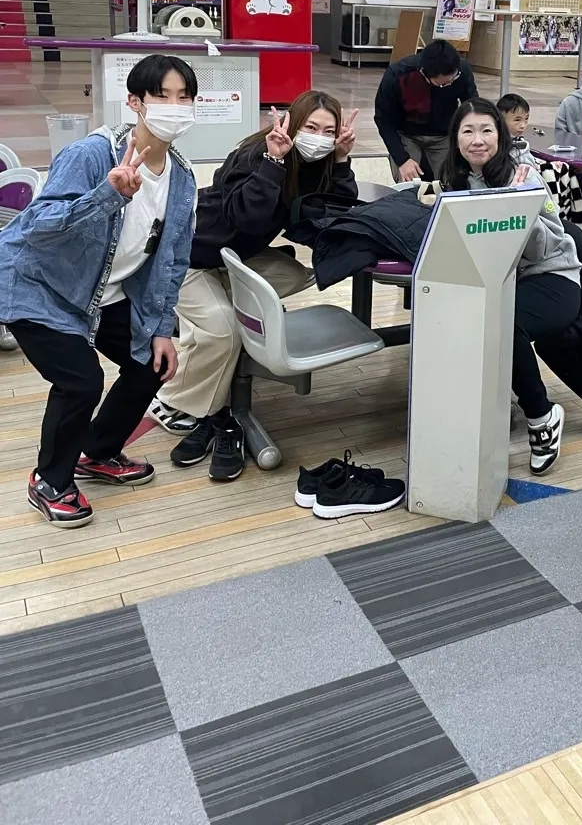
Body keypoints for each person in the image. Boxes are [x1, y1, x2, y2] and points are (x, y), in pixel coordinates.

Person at [0, 55, 198, 529]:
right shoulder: (92, 155)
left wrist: (161, 328)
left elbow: (172, 260)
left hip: (101, 294)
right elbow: (40, 227)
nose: (175, 107)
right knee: (81, 381)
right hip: (38, 287)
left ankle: (98, 452)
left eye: (184, 97)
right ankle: (50, 480)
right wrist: (108, 195)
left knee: (152, 362)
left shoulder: (182, 177)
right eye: (162, 96)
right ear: (134, 102)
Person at [153, 92, 359, 479]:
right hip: (188, 255)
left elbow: (335, 211)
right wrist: (273, 162)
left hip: (230, 256)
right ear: (292, 125)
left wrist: (341, 160)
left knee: (295, 274)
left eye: (328, 132)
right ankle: (171, 400)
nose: (319, 138)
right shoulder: (255, 156)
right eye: (311, 128)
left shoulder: (314, 163)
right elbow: (247, 219)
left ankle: (209, 320)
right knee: (224, 331)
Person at [441, 99, 581, 475]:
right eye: (468, 131)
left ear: (500, 136)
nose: (477, 140)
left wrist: (517, 209)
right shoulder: (454, 180)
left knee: (503, 322)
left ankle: (542, 416)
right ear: (455, 139)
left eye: (486, 130)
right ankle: (489, 409)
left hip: (551, 276)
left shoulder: (523, 174)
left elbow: (547, 246)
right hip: (498, 282)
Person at [374, 39, 478, 182]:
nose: (450, 83)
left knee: (453, 180)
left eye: (453, 79)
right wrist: (402, 160)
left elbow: (472, 107)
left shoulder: (462, 70)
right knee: (409, 182)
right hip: (407, 134)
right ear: (425, 75)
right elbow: (383, 119)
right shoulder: (397, 74)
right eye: (443, 84)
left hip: (444, 135)